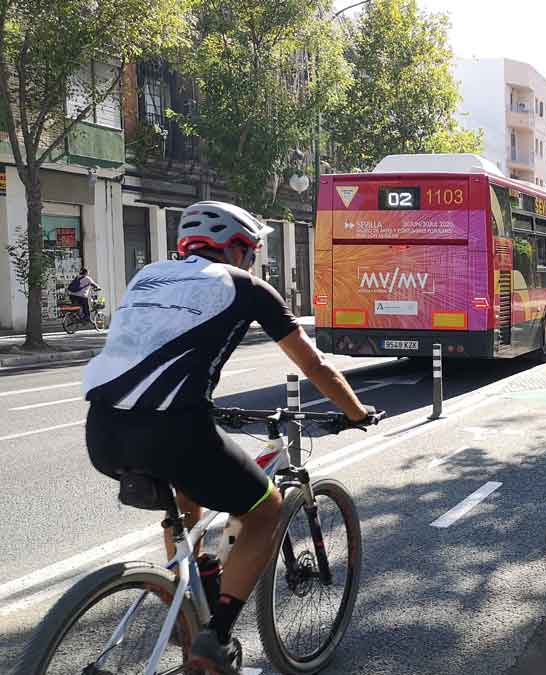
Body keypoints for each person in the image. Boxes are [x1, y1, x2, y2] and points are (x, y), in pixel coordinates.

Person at [82, 201, 375, 674]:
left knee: (187, 491)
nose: (252, 262)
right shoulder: (248, 288)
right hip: (176, 430)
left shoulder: (147, 277)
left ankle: (192, 586)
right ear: (238, 249)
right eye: (252, 253)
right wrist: (356, 412)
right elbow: (315, 365)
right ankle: (214, 640)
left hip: (102, 431)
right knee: (266, 510)